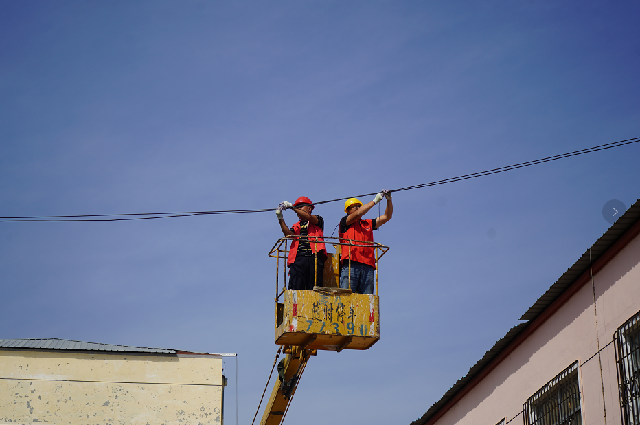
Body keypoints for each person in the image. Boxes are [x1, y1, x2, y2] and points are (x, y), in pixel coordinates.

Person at [339, 190, 393, 294]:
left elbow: (387, 217)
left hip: (368, 266)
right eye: (355, 206)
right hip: (351, 264)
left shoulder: (367, 223)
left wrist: (389, 200)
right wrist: (375, 201)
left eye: (359, 206)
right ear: (348, 210)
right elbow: (359, 213)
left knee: (367, 301)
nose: (358, 208)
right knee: (346, 298)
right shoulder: (345, 222)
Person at [276, 196, 327, 290]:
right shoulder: (296, 226)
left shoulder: (317, 220)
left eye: (300, 207)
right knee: (296, 286)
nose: (298, 209)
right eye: (297, 207)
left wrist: (291, 207)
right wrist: (280, 218)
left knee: (314, 287)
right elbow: (289, 235)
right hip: (298, 258)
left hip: (314, 258)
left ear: (309, 208)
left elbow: (307, 216)